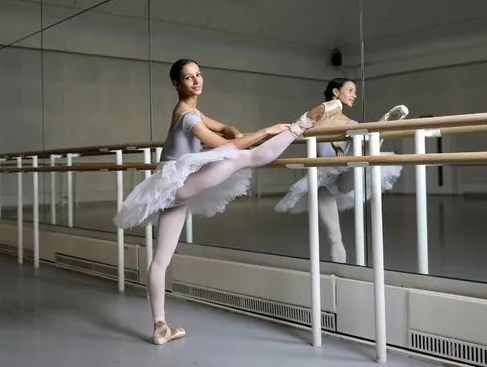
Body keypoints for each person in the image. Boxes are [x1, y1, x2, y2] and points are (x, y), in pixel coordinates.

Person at [113, 59, 343, 345]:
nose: (196, 81)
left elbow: (225, 129)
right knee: (242, 156)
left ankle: (160, 326)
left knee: (161, 259)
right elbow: (225, 146)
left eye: (198, 75)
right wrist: (265, 132)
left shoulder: (193, 112)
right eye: (188, 78)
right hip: (177, 185)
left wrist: (235, 131)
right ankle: (302, 124)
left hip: (172, 189)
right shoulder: (187, 117)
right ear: (176, 84)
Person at [274, 78, 408, 263]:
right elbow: (311, 127)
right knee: (333, 235)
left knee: (360, 146)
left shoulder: (351, 123)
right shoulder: (316, 116)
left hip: (346, 174)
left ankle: (380, 132)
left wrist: (340, 148)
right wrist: (335, 145)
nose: (355, 95)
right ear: (336, 92)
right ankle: (338, 260)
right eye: (350, 90)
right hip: (324, 179)